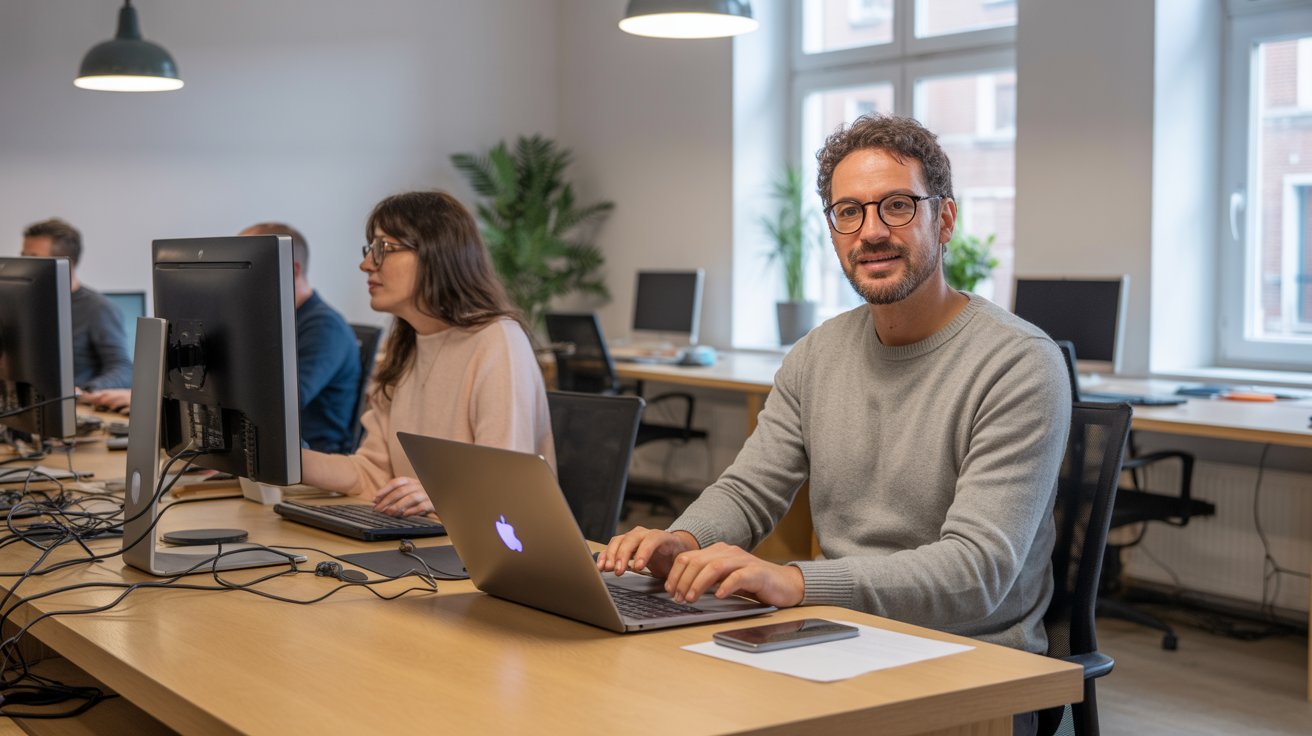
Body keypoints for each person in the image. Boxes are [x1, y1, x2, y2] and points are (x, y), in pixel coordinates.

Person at [599, 115, 1069, 670]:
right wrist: (683, 542)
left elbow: (976, 573)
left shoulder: (1017, 363)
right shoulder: (816, 354)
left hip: (975, 660)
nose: (871, 231)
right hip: (840, 634)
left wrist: (797, 581)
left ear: (944, 220)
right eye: (849, 211)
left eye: (897, 205)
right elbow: (750, 490)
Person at [299, 190, 554, 517]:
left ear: (437, 255)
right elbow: (373, 474)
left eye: (384, 249)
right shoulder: (408, 346)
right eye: (370, 249)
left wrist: (443, 493)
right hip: (426, 540)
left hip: (496, 545)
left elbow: (505, 483)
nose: (366, 264)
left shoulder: (497, 341)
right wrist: (284, 459)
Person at [238, 223, 360, 454]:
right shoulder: (279, 322)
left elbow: (285, 403)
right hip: (273, 453)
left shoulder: (324, 327)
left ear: (292, 270)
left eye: (249, 266)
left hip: (314, 459)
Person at [21, 218, 132, 392]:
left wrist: (83, 391)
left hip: (73, 407)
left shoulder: (98, 308)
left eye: (34, 258)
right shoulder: (21, 305)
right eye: (23, 257)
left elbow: (123, 371)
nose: (24, 266)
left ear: (66, 265)